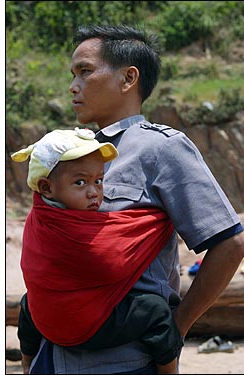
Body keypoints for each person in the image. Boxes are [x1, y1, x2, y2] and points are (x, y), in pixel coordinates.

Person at [22, 24, 244, 374]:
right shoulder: (66, 151)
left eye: (85, 71)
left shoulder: (161, 148)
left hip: (123, 360)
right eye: (73, 74)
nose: (73, 85)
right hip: (50, 355)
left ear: (128, 78)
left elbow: (231, 243)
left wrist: (175, 329)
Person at [11, 127, 182, 374]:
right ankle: (170, 371)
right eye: (80, 182)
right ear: (47, 188)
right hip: (84, 328)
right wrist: (160, 220)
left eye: (98, 181)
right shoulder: (71, 231)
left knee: (30, 302)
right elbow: (110, 263)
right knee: (156, 312)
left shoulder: (38, 217)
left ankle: (28, 361)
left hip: (46, 323)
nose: (93, 192)